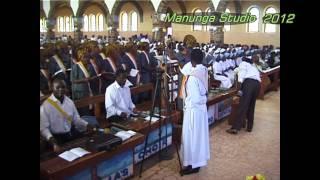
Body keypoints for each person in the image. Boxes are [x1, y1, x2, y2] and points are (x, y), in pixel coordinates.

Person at [40, 79, 95, 153]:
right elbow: (44, 129)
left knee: (88, 145)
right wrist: (53, 143)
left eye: (63, 87)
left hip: (70, 133)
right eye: (58, 88)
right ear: (52, 89)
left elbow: (76, 119)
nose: (61, 90)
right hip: (56, 138)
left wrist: (87, 125)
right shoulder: (45, 106)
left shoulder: (69, 102)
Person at [180, 49, 210, 175]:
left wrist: (204, 99)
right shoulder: (203, 69)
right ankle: (196, 162)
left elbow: (197, 99)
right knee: (198, 137)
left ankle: (193, 164)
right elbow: (185, 69)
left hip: (194, 111)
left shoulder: (192, 78)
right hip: (200, 111)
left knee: (192, 138)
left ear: (191, 60)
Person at [226, 56, 261, 134]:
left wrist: (238, 93)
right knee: (251, 105)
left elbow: (240, 80)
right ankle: (249, 127)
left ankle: (235, 128)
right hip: (257, 85)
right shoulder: (252, 66)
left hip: (249, 84)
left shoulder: (243, 64)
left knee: (243, 106)